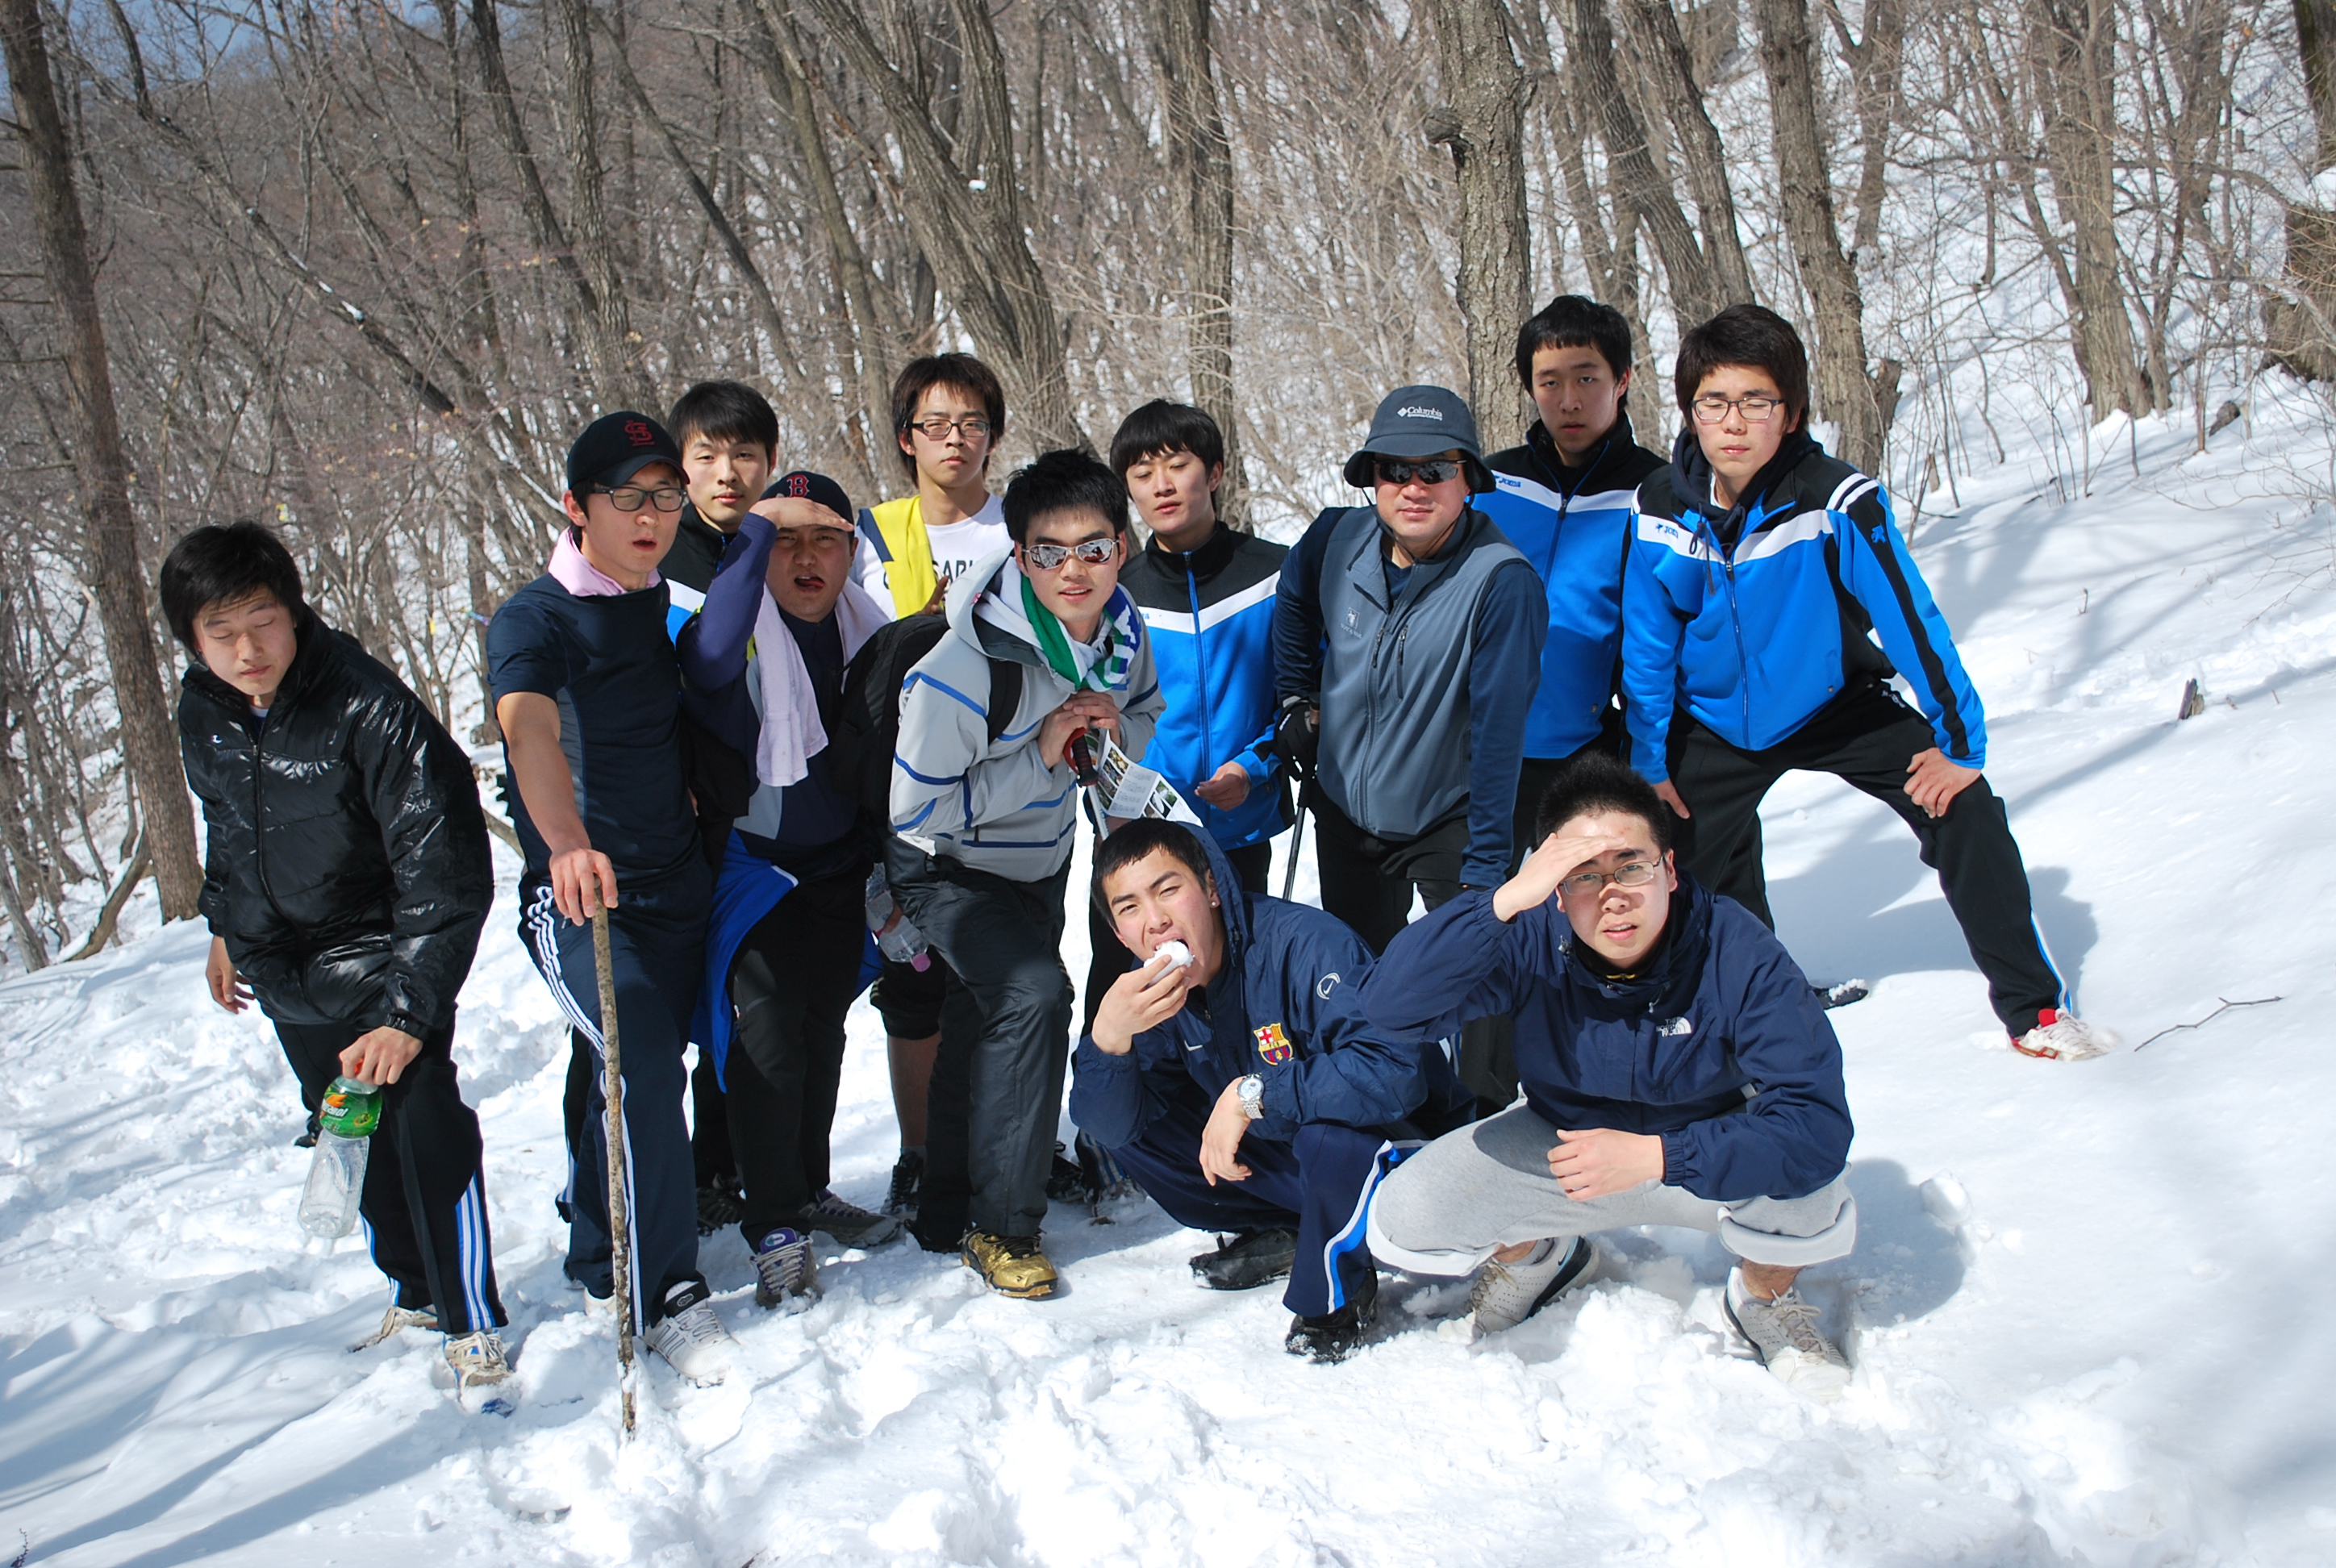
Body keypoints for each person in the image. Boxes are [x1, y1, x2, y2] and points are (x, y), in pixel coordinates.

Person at [1621, 304, 2114, 1061]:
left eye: (1757, 401)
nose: (1734, 422)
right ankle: (1680, 1027)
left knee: (1965, 810)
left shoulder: (1837, 501)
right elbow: (1649, 642)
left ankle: (2036, 1010)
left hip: (1834, 703)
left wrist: (1960, 744)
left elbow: (1912, 622)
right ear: (1690, 411)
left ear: (1791, 413)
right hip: (1712, 719)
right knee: (1655, 865)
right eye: (1713, 402)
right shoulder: (1659, 505)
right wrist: (1650, 761)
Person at [1362, 753, 1862, 1397]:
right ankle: (1542, 1259)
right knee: (1409, 1213)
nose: (1613, 894)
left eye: (1632, 866)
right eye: (1584, 875)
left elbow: (1816, 1124)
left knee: (1813, 1193)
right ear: (1555, 888)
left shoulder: (1738, 949)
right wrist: (1503, 902)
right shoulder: (1530, 935)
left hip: (1704, 1151)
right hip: (1569, 1150)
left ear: (1669, 870)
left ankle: (1763, 1297)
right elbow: (1391, 1009)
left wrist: (1660, 1155)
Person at [169, 521, 509, 1399]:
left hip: (383, 960)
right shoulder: (203, 709)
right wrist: (223, 924)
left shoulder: (367, 705)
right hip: (284, 970)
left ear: (293, 612)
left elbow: (443, 866)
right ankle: (417, 1294)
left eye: (262, 621)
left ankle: (471, 1320)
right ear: (193, 641)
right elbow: (228, 824)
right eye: (221, 632)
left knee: (423, 1129)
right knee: (346, 1131)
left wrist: (407, 1013)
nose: (247, 650)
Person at [488, 411, 735, 1384]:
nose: (649, 517)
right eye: (627, 498)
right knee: (640, 1065)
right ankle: (667, 1289)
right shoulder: (535, 618)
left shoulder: (660, 598)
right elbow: (529, 731)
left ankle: (599, 1245)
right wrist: (564, 842)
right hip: (585, 898)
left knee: (620, 1062)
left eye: (666, 497)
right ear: (575, 507)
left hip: (680, 878)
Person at [888, 448, 1163, 1297]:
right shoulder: (962, 670)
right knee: (1035, 994)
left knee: (981, 1018)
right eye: (1049, 551)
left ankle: (946, 1208)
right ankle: (1005, 1226)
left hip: (1038, 859)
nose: (1073, 570)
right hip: (946, 866)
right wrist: (1042, 755)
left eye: (1093, 548)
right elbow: (915, 812)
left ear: (1122, 548)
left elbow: (1145, 709)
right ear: (1020, 556)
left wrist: (1114, 728)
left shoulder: (1120, 635)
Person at [1072, 820, 1471, 1362]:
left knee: (1324, 1136)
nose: (1156, 919)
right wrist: (1109, 1039)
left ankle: (1335, 1293)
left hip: (1408, 1156)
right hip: (1296, 1159)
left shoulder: (1307, 945)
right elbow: (1110, 1125)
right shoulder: (1157, 993)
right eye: (1130, 907)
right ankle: (1295, 1228)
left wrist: (1252, 1095)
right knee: (1134, 1117)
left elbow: (1393, 1073)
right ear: (1120, 934)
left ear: (1211, 889)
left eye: (1168, 890)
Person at [677, 468, 903, 1307]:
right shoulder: (734, 631)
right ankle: (774, 1224)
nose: (807, 559)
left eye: (826, 540)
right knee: (766, 1034)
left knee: (821, 1030)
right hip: (754, 865)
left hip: (840, 863)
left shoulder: (869, 633)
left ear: (852, 551)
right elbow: (705, 661)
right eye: (785, 543)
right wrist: (753, 533)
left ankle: (808, 1188)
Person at [1460, 298, 1673, 1109]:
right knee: (1492, 911)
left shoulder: (1653, 488)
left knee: (1604, 905)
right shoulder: (1491, 481)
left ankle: (1628, 1065)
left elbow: (1656, 635)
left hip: (1587, 746)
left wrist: (1647, 752)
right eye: (1550, 381)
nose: (1569, 398)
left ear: (1623, 380)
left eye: (1587, 377)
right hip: (1486, 747)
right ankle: (1483, 1095)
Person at [1270, 385, 1546, 953]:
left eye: (1436, 469)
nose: (1414, 488)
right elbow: (1293, 598)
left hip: (1446, 818)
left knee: (1472, 978)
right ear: (1374, 478)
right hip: (1344, 811)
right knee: (1361, 973)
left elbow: (1499, 733)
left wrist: (1487, 863)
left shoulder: (1501, 581)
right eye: (1395, 469)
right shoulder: (1335, 538)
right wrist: (1296, 696)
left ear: (1467, 480)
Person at [855, 354, 1015, 1228]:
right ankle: (919, 1154)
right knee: (913, 979)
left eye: (972, 423)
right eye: (935, 424)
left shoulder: (1022, 529)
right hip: (901, 797)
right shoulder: (870, 537)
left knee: (1009, 975)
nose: (955, 439)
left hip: (1008, 787)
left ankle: (1009, 1141)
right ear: (906, 438)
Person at [1087, 398, 1287, 1026]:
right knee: (1128, 985)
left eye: (1178, 465)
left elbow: (1301, 702)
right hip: (1140, 835)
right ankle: (1112, 1086)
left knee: (1241, 979)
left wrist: (1252, 769)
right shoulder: (1114, 594)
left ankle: (1251, 1080)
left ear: (1216, 472)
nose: (1163, 485)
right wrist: (1112, 807)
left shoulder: (1275, 575)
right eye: (1143, 473)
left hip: (1240, 821)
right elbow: (1094, 722)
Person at [660, 379, 784, 1232]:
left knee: (730, 1005)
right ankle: (620, 1191)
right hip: (667, 819)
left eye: (745, 455)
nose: (727, 473)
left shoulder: (760, 548)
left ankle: (720, 1168)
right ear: (680, 466)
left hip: (741, 815)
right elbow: (705, 666)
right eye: (706, 456)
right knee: (651, 1023)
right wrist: (761, 536)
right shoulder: (660, 558)